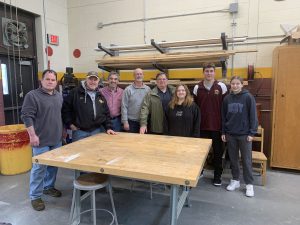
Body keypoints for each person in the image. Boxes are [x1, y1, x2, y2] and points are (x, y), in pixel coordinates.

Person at [21, 69, 63, 211]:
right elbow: (27, 116)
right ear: (41, 80)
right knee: (39, 168)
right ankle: (35, 196)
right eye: (48, 79)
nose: (50, 82)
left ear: (56, 82)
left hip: (56, 139)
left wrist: (62, 133)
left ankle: (48, 187)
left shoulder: (58, 95)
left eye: (53, 80)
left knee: (52, 167)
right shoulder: (32, 96)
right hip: (40, 140)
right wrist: (32, 135)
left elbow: (58, 115)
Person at [221, 76, 258, 197]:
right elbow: (223, 117)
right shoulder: (227, 99)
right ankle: (235, 180)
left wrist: (252, 133)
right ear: (230, 85)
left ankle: (249, 184)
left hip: (244, 135)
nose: (235, 86)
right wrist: (223, 132)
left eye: (237, 84)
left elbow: (253, 115)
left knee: (246, 160)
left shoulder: (248, 97)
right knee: (233, 159)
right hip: (230, 134)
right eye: (233, 84)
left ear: (242, 85)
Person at [193, 63, 227, 186]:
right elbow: (195, 108)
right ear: (203, 73)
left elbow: (225, 107)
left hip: (217, 127)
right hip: (202, 126)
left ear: (214, 72)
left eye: (211, 71)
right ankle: (199, 172)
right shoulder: (197, 88)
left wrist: (224, 128)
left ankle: (217, 176)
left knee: (218, 153)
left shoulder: (221, 86)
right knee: (200, 153)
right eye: (206, 71)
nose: (209, 73)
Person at [62, 71, 115, 142]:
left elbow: (106, 113)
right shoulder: (75, 93)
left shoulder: (100, 95)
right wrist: (70, 124)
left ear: (98, 82)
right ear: (86, 80)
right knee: (79, 152)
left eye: (95, 80)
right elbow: (65, 110)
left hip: (96, 131)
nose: (92, 82)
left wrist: (109, 128)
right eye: (90, 79)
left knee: (94, 152)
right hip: (79, 132)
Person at [121, 68, 150, 133]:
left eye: (140, 74)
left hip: (144, 122)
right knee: (131, 142)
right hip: (131, 122)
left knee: (143, 141)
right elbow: (124, 106)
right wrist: (125, 122)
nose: (139, 76)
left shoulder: (148, 89)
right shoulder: (128, 89)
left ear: (143, 75)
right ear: (134, 76)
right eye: (137, 74)